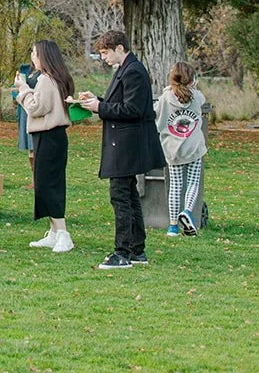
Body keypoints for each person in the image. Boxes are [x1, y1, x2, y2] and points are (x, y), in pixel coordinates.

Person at [77, 29, 167, 270]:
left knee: (121, 197)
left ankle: (123, 252)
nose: (104, 57)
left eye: (106, 52)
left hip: (127, 145)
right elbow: (120, 103)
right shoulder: (126, 70)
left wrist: (99, 108)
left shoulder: (134, 71)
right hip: (125, 144)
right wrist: (95, 100)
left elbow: (133, 110)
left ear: (120, 48)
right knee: (129, 195)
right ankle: (137, 250)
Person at [15, 40, 75, 252]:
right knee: (47, 182)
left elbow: (36, 107)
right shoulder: (59, 79)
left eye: (34, 53)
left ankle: (63, 233)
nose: (32, 57)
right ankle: (54, 232)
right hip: (53, 136)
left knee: (49, 184)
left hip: (49, 136)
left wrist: (23, 90)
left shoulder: (46, 81)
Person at [156, 61, 208, 238]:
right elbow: (203, 102)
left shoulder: (165, 98)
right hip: (193, 146)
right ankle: (187, 212)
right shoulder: (197, 96)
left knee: (176, 186)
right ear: (191, 79)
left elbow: (156, 114)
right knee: (193, 182)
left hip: (172, 148)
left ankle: (172, 226)